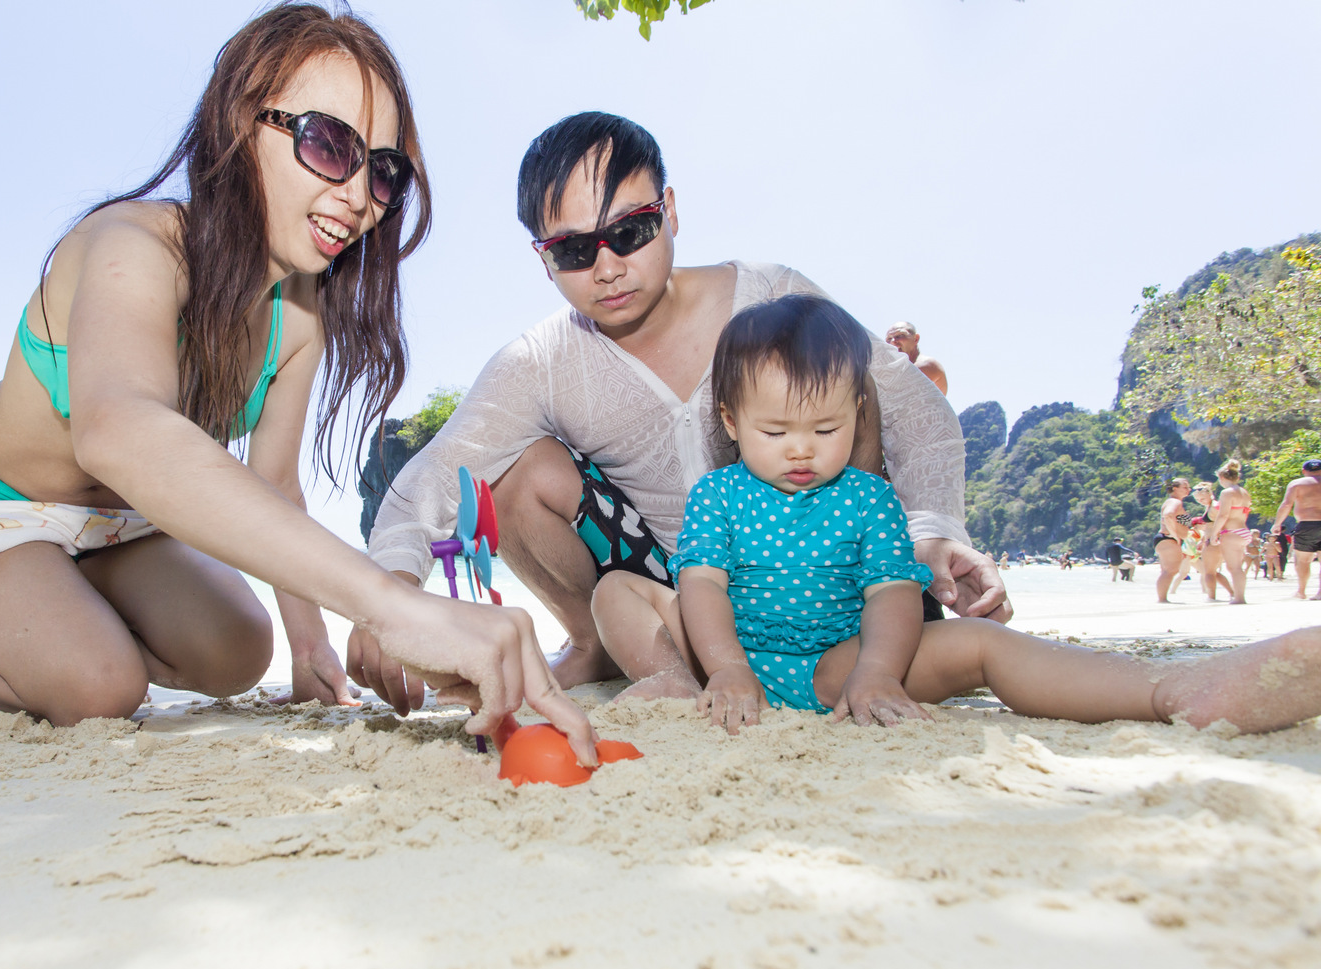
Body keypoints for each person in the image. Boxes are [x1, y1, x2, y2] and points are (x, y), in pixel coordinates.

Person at [0, 4, 599, 765]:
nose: (357, 196)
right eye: (329, 144)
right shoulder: (132, 244)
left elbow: (274, 484)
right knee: (98, 688)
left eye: (383, 170)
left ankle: (38, 609)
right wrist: (393, 605)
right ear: (242, 125)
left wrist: (312, 649)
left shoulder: (299, 319)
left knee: (239, 650)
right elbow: (117, 427)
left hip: (118, 526)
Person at [351, 112, 1007, 711]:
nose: (607, 267)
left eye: (629, 231)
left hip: (825, 577)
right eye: (574, 250)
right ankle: (598, 644)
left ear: (668, 210)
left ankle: (864, 637)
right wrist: (387, 598)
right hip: (676, 594)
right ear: (543, 258)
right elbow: (436, 474)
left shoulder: (769, 296)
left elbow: (918, 411)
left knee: (851, 385)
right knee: (519, 470)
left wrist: (933, 531)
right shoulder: (541, 362)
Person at [587, 294, 1320, 733]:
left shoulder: (868, 497)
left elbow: (892, 595)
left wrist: (878, 672)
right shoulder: (719, 493)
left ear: (858, 413)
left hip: (837, 663)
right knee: (618, 589)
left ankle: (1167, 692)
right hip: (722, 655)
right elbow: (703, 585)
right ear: (731, 420)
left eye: (826, 427)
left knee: (982, 642)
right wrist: (724, 667)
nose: (802, 449)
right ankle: (676, 685)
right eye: (775, 431)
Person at [1269, 457, 1321, 599]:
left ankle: (1301, 591)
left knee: (1303, 560)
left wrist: (1277, 524)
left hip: (1306, 524)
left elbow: (1286, 504)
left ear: (1304, 471)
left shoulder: (1297, 484)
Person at [1206, 459, 1254, 605]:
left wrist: (1214, 533)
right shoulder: (1244, 492)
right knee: (1236, 567)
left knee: (1234, 568)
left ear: (1221, 477)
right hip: (1243, 530)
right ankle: (1239, 596)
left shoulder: (1227, 493)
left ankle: (1239, 598)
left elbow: (1223, 515)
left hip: (1231, 532)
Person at [1191, 482, 1233, 601]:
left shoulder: (1215, 507)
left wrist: (1214, 537)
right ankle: (1232, 593)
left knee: (1208, 572)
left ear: (1210, 494)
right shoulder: (1210, 506)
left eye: (1202, 498)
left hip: (1214, 541)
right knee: (1213, 572)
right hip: (1212, 540)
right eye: (1198, 500)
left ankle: (1211, 597)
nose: (1201, 501)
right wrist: (1203, 540)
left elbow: (1223, 521)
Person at [883, 321, 948, 394]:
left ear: (916, 339)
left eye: (900, 335)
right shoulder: (898, 368)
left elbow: (895, 394)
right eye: (889, 339)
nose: (893, 341)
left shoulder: (927, 364)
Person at [1154, 478, 1191, 602]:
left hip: (1166, 539)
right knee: (1171, 570)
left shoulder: (1174, 502)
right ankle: (1162, 599)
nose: (1188, 489)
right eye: (1185, 487)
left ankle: (1162, 599)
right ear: (1175, 488)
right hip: (1168, 538)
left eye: (1188, 487)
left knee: (1167, 571)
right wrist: (1174, 535)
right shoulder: (1175, 502)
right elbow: (1168, 515)